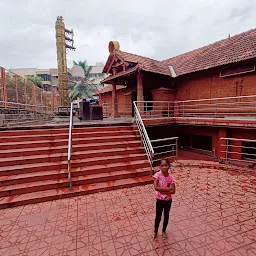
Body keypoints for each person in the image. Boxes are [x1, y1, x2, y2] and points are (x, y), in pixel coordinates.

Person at [153, 159, 175, 239]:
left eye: (166, 165)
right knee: (158, 216)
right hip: (159, 200)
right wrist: (167, 189)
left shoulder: (171, 178)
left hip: (168, 201)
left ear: (169, 166)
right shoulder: (157, 175)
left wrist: (161, 190)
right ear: (160, 167)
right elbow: (156, 187)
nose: (164, 167)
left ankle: (164, 230)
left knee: (166, 216)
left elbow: (173, 191)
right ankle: (155, 231)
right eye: (162, 166)